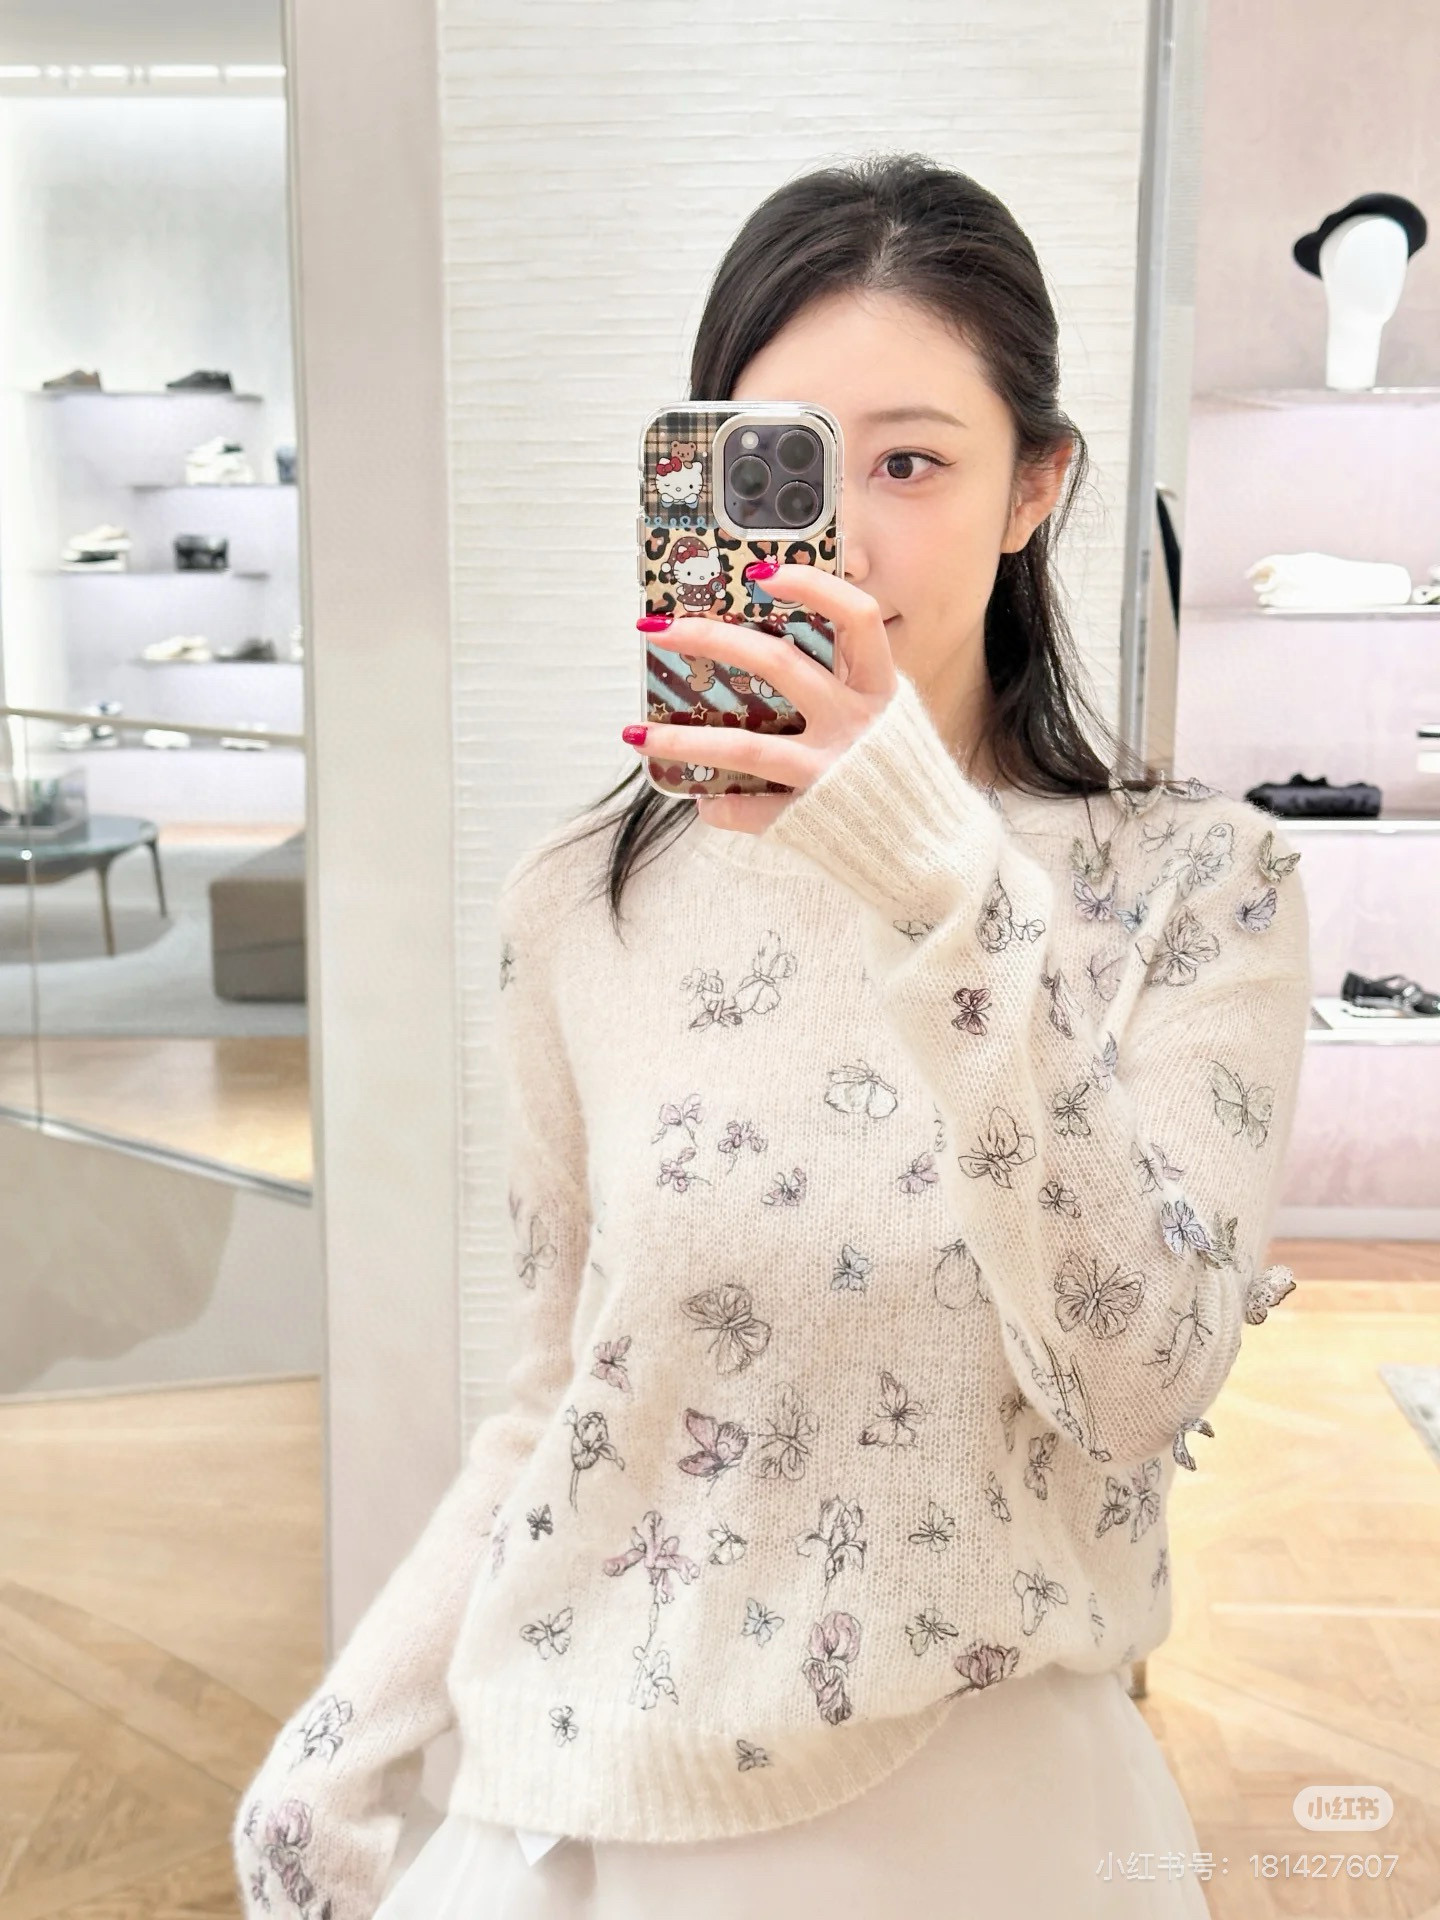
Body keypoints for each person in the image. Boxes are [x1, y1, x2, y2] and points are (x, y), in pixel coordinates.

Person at [232, 152, 1311, 1920]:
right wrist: (343, 1737)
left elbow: (1139, 1387)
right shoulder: (584, 899)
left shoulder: (1197, 889)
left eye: (911, 462)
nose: (843, 543)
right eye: (784, 464)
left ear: (1036, 486)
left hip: (983, 1831)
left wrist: (935, 882)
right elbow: (565, 1401)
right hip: (572, 1812)